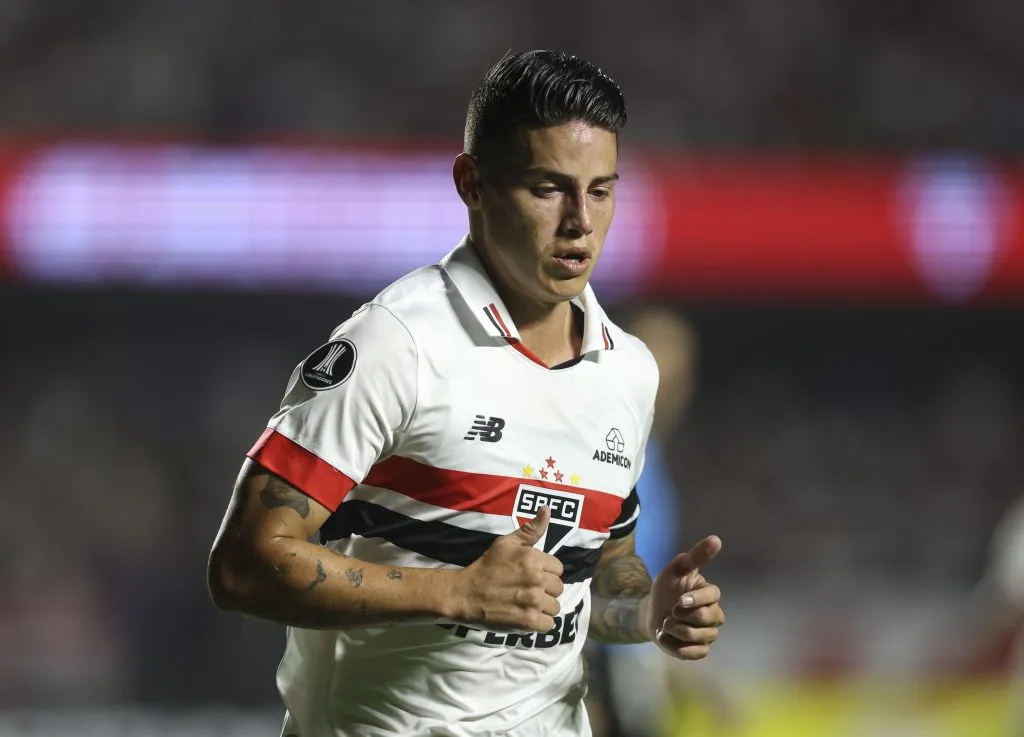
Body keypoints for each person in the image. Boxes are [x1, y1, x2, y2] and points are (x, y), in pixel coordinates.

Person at [207, 49, 725, 737]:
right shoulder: (396, 344)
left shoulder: (628, 372)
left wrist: (650, 611)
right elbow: (243, 563)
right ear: (471, 182)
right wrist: (455, 590)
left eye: (601, 190)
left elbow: (598, 575)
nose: (580, 221)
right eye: (549, 187)